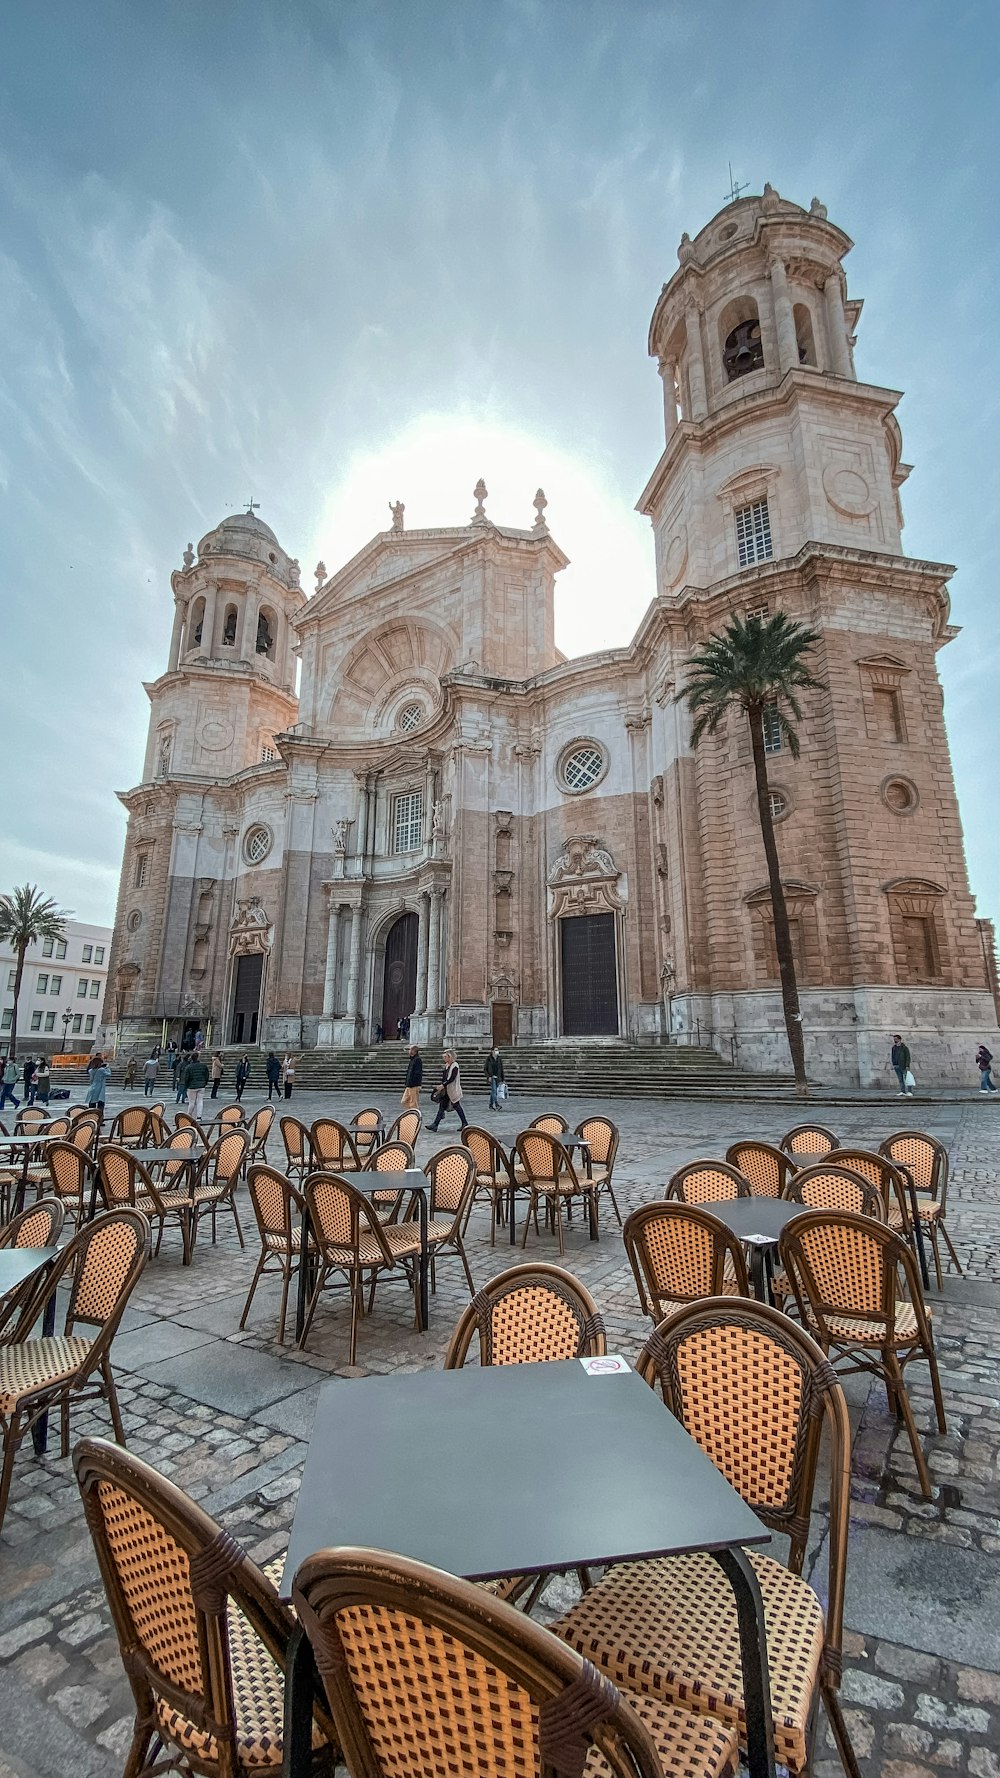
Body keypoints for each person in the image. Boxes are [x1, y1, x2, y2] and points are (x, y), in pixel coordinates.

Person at [428, 1049, 468, 1131]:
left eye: (446, 1057)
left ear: (450, 1057)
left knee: (457, 1106)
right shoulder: (447, 1066)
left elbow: (452, 1078)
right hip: (446, 1090)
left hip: (453, 1089)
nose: (444, 1058)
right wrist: (442, 1086)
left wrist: (443, 1085)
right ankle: (435, 1125)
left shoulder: (455, 1066)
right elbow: (444, 1077)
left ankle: (464, 1123)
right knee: (442, 1107)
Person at [182, 1050, 210, 1121]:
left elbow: (186, 1078)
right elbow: (206, 1076)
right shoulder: (203, 1066)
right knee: (200, 1101)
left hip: (191, 1086)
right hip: (201, 1085)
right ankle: (199, 1117)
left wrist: (187, 1085)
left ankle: (189, 1115)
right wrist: (204, 1083)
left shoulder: (189, 1067)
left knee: (191, 1102)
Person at [484, 1045, 505, 1111]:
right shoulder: (489, 1059)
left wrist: (503, 1079)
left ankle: (490, 1105)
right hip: (492, 1077)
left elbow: (501, 1069)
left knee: (493, 1091)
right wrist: (488, 1076)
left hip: (498, 1077)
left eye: (497, 1050)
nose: (497, 1051)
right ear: (492, 1051)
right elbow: (485, 1069)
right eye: (495, 1050)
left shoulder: (499, 1059)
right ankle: (496, 1104)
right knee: (494, 1091)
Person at [402, 1044, 422, 1110]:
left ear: (413, 1051)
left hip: (414, 1084)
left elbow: (417, 1073)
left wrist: (414, 1083)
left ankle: (414, 1116)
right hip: (409, 1084)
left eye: (410, 1049)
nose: (409, 1051)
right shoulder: (412, 1060)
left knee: (413, 1103)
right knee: (404, 1101)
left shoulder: (417, 1060)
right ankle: (410, 1112)